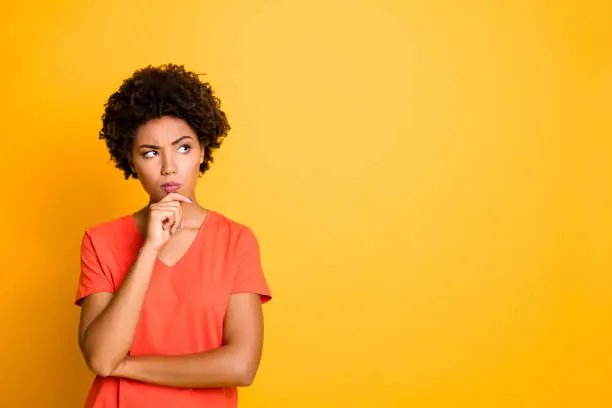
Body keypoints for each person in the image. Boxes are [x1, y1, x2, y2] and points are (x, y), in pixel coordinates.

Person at [74, 64, 272, 408]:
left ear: (202, 152)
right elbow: (102, 357)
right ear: (131, 161)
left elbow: (241, 366)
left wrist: (127, 366)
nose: (168, 166)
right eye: (150, 153)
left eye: (182, 148)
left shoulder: (236, 241)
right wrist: (149, 248)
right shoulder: (101, 240)